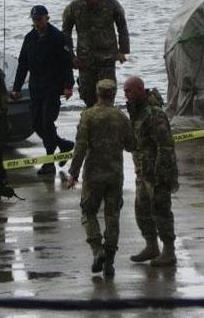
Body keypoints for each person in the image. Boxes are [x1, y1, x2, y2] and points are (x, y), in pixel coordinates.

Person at [66, 79, 135, 277]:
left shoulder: (88, 116)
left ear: (97, 93)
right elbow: (132, 145)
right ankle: (110, 261)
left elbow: (80, 147)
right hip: (115, 174)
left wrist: (73, 173)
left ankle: (97, 251)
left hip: (93, 175)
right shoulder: (121, 117)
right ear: (113, 94)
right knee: (112, 216)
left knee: (88, 213)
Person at [11, 5, 75, 175]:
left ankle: (48, 163)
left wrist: (68, 86)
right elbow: (22, 65)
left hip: (52, 87)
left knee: (47, 123)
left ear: (47, 18)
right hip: (36, 87)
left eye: (39, 19)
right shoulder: (29, 38)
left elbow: (66, 64)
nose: (37, 22)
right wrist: (16, 88)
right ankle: (64, 145)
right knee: (36, 123)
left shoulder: (57, 37)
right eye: (34, 20)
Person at [123, 75, 179, 267]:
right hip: (142, 172)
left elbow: (165, 146)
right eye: (124, 91)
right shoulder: (136, 113)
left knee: (161, 212)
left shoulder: (154, 114)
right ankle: (151, 246)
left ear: (140, 90)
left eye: (129, 90)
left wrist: (161, 175)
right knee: (141, 211)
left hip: (157, 174)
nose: (126, 95)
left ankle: (169, 251)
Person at [62, 0, 130, 107]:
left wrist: (123, 50)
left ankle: (107, 120)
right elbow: (65, 34)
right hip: (85, 60)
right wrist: (71, 57)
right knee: (87, 95)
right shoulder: (73, 8)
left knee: (107, 94)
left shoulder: (110, 4)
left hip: (107, 59)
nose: (85, 1)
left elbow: (122, 26)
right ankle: (91, 119)